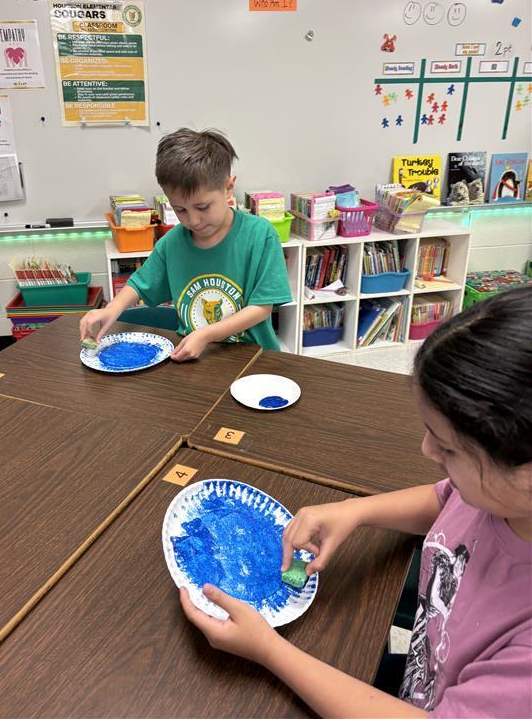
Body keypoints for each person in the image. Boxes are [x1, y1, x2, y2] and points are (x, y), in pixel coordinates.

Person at [181, 287, 532, 717]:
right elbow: (445, 501)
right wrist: (356, 511)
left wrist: (268, 650)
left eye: (448, 448)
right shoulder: (495, 497)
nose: (426, 451)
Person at [80, 128, 291, 361]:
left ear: (228, 187)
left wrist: (206, 334)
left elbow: (262, 309)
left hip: (253, 359)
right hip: (194, 358)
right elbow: (139, 285)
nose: (193, 220)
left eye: (202, 207)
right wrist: (112, 308)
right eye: (179, 209)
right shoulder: (172, 243)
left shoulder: (260, 235)